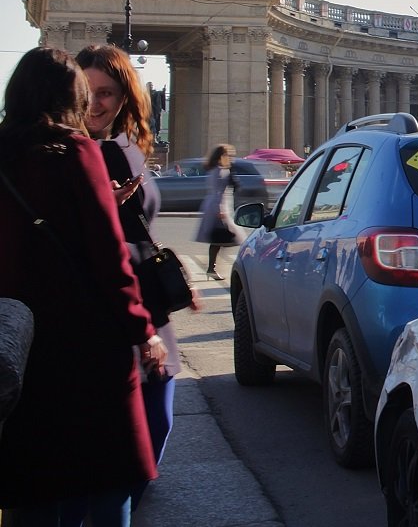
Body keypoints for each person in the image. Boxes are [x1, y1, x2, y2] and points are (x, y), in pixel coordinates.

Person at [0, 47, 165, 527]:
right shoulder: (77, 153)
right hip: (84, 343)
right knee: (104, 477)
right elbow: (108, 256)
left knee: (27, 481)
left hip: (14, 340)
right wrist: (143, 329)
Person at [76, 44, 197, 511]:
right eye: (87, 92)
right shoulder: (73, 153)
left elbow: (140, 229)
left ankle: (121, 500)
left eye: (107, 93)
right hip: (105, 307)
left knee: (158, 419)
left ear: (125, 98)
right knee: (130, 429)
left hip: (144, 301)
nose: (96, 103)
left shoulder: (125, 149)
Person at [195, 143, 241, 280]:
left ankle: (211, 267)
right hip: (218, 207)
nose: (231, 158)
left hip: (218, 207)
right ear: (222, 156)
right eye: (229, 155)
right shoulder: (219, 171)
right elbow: (217, 192)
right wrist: (220, 210)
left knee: (219, 239)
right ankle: (211, 267)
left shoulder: (219, 169)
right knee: (225, 238)